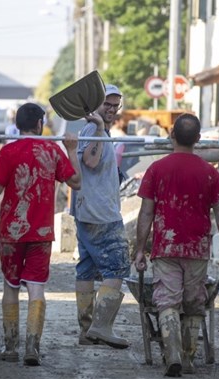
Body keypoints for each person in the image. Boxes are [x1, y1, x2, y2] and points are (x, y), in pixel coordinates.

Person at [0, 103, 81, 366]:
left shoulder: (8, 151)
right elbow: (76, 181)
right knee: (37, 289)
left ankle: (11, 347)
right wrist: (71, 150)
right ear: (39, 124)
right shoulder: (52, 150)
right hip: (41, 232)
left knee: (10, 287)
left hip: (11, 232)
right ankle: (32, 348)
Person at [133, 114, 219, 377]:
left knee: (167, 301)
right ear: (198, 140)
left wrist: (139, 250)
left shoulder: (157, 169)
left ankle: (173, 355)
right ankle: (188, 359)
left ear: (171, 136)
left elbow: (146, 213)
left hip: (166, 246)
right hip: (196, 248)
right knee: (193, 303)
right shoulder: (210, 172)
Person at [69, 84, 132, 349]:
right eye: (107, 103)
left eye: (115, 105)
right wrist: (96, 128)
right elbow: (91, 163)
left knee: (86, 268)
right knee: (117, 266)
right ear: (96, 103)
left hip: (87, 211)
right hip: (100, 214)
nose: (111, 109)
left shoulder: (101, 130)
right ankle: (101, 327)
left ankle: (86, 330)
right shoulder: (92, 130)